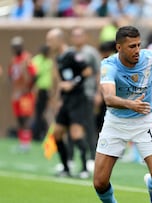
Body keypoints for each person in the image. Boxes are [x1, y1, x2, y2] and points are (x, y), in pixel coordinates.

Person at [93, 26, 152, 203]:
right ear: (119, 47)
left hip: (145, 120)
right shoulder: (109, 65)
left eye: (139, 45)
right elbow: (108, 98)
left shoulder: (148, 57)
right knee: (100, 182)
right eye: (132, 46)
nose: (137, 50)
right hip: (116, 122)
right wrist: (130, 104)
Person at [46, 28, 92, 179]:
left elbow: (87, 71)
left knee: (76, 133)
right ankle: (66, 168)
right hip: (66, 100)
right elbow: (61, 81)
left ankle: (85, 167)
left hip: (78, 99)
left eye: (50, 40)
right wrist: (59, 98)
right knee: (57, 133)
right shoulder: (59, 58)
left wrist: (73, 83)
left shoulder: (72, 54)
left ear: (59, 40)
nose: (48, 44)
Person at [71, 26, 102, 169]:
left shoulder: (91, 53)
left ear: (85, 37)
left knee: (90, 126)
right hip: (72, 96)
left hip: (88, 93)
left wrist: (98, 93)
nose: (77, 38)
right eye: (74, 35)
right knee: (72, 126)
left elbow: (98, 73)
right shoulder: (70, 53)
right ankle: (70, 158)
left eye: (79, 35)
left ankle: (92, 157)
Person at [8, 36, 37, 151]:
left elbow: (34, 75)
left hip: (25, 94)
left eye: (18, 46)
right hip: (16, 94)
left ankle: (26, 143)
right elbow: (11, 75)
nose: (16, 49)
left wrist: (28, 88)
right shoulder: (14, 60)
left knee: (25, 118)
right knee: (19, 118)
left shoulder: (26, 58)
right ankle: (22, 142)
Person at [31, 44, 53, 141]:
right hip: (39, 89)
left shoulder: (49, 61)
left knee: (45, 112)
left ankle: (43, 133)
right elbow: (34, 75)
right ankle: (37, 134)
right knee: (39, 112)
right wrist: (34, 87)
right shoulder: (37, 60)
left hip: (46, 89)